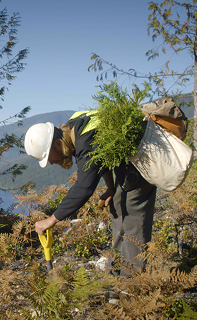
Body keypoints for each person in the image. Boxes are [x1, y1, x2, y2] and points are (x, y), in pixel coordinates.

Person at [24, 111, 157, 272]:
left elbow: (84, 186)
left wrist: (52, 220)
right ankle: (117, 274)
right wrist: (110, 187)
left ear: (58, 144)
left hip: (141, 160)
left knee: (132, 215)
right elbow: (100, 157)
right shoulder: (75, 128)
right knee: (117, 208)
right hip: (128, 164)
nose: (51, 163)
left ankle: (134, 282)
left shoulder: (84, 141)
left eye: (48, 157)